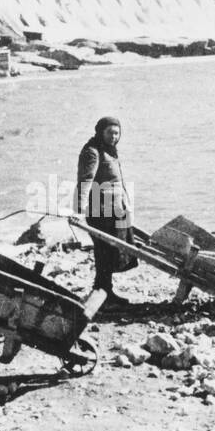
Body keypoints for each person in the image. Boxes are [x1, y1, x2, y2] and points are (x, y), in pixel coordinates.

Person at [75, 115, 134, 307]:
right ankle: (103, 293)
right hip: (100, 211)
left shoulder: (110, 151)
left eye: (117, 133)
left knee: (112, 252)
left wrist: (126, 202)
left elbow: (118, 180)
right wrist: (78, 210)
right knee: (104, 252)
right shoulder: (92, 152)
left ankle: (105, 292)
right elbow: (85, 180)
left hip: (115, 210)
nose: (114, 137)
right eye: (110, 133)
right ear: (100, 132)